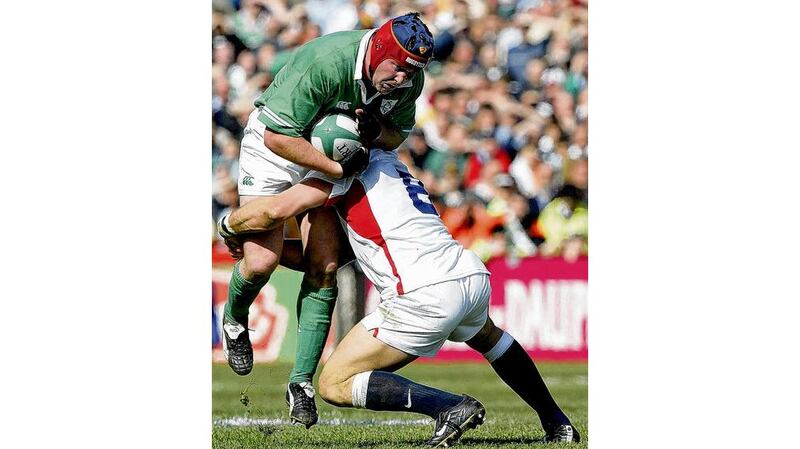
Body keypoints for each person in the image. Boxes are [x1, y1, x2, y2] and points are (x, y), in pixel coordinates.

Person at [217, 149, 581, 445]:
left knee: (334, 383)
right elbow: (339, 252)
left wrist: (227, 226)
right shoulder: (391, 160)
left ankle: (450, 406)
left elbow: (271, 211)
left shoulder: (341, 172)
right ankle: (557, 422)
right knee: (489, 337)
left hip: (422, 294)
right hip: (467, 273)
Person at [221, 12, 435, 429]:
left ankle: (300, 381)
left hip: (333, 155)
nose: (403, 80)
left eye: (413, 73)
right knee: (261, 261)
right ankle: (234, 317)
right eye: (398, 68)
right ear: (377, 50)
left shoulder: (408, 76)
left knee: (326, 265)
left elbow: (397, 134)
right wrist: (335, 168)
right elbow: (277, 137)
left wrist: (371, 134)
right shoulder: (326, 60)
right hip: (278, 145)